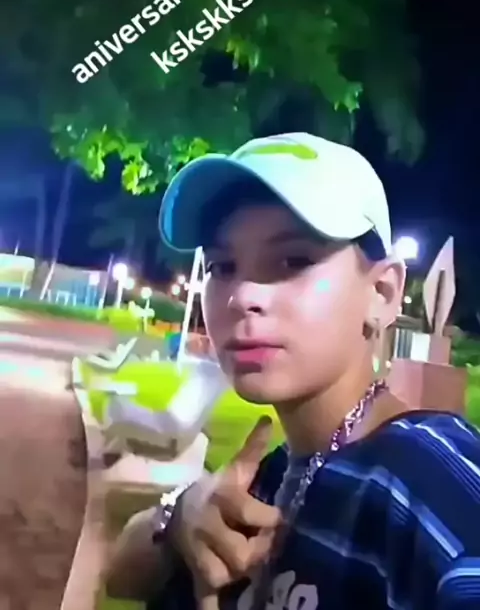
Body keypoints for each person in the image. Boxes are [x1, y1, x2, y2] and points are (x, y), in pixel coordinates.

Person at [105, 132, 480, 609]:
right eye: (222, 266)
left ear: (382, 293)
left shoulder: (432, 488)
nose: (242, 296)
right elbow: (121, 577)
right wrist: (178, 518)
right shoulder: (271, 475)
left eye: (294, 260)